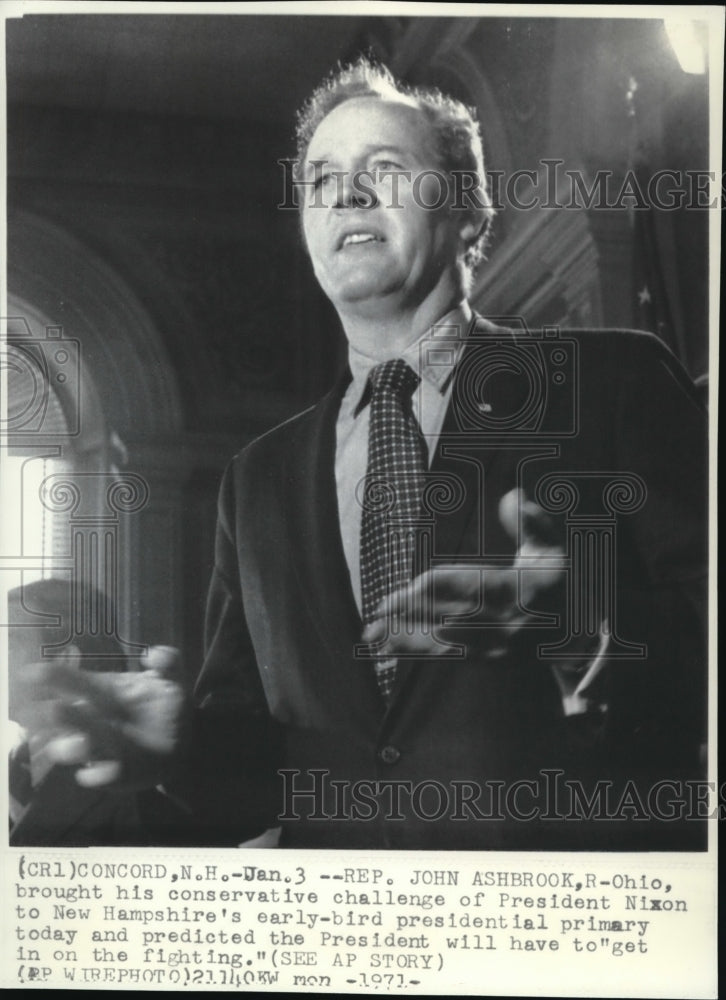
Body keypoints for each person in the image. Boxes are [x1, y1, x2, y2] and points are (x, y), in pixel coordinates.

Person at [11, 59, 707, 850]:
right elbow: (270, 759)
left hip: (571, 923)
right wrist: (179, 749)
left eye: (385, 169)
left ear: (470, 215)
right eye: (320, 181)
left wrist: (584, 633)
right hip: (352, 941)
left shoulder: (613, 381)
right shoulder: (259, 480)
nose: (346, 194)